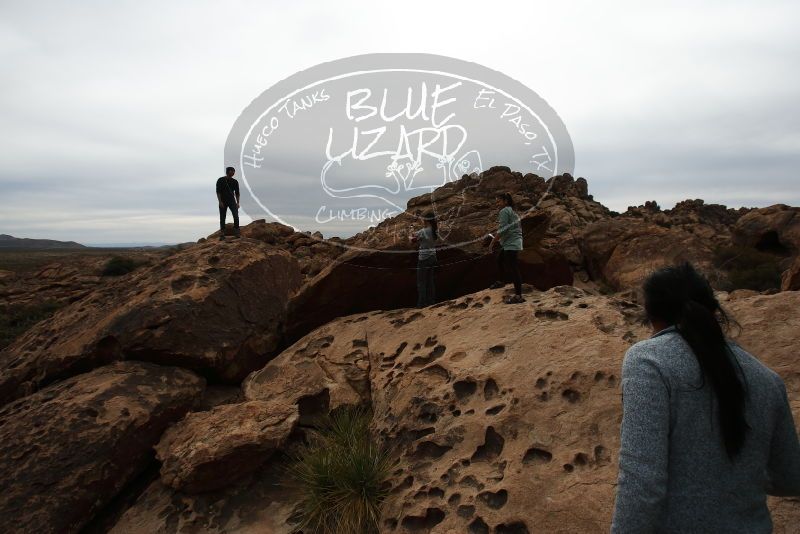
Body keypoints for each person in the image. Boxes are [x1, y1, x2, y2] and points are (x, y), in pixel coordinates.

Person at [611, 262, 800, 533]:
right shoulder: (767, 379)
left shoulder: (649, 360)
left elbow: (643, 480)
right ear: (714, 310)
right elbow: (790, 479)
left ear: (651, 316)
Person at [488, 192, 524, 303]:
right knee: (499, 259)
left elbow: (503, 229)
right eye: (496, 202)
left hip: (511, 244)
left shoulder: (504, 211)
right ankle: (501, 281)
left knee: (513, 268)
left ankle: (518, 296)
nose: (497, 204)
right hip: (512, 242)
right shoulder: (513, 212)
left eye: (499, 201)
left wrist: (492, 242)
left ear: (505, 201)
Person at [410, 212, 438, 307]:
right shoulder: (434, 231)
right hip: (433, 257)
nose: (422, 220)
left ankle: (422, 304)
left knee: (421, 282)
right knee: (430, 281)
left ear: (426, 220)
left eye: (423, 219)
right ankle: (431, 302)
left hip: (424, 259)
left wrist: (411, 228)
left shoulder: (423, 231)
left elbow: (412, 240)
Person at [216, 166, 240, 240]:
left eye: (234, 171)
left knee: (236, 215)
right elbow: (218, 192)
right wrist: (220, 202)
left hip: (232, 200)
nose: (233, 172)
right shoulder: (220, 180)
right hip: (223, 200)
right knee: (222, 217)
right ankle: (222, 234)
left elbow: (237, 193)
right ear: (227, 172)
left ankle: (237, 232)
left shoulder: (235, 181)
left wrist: (238, 202)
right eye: (232, 171)